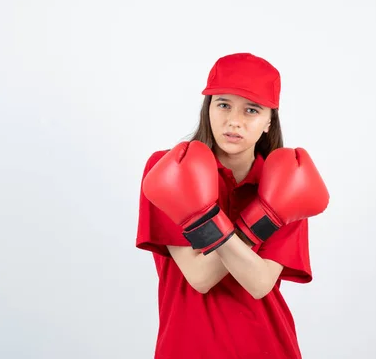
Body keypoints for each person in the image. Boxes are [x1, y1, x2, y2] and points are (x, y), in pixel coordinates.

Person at [135, 52, 330, 358]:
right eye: (223, 104)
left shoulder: (287, 181)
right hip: (187, 347)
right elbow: (200, 277)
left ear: (269, 121)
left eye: (252, 110)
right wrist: (263, 220)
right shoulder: (168, 170)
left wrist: (267, 209)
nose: (234, 121)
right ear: (208, 108)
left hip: (268, 346)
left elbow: (260, 283)